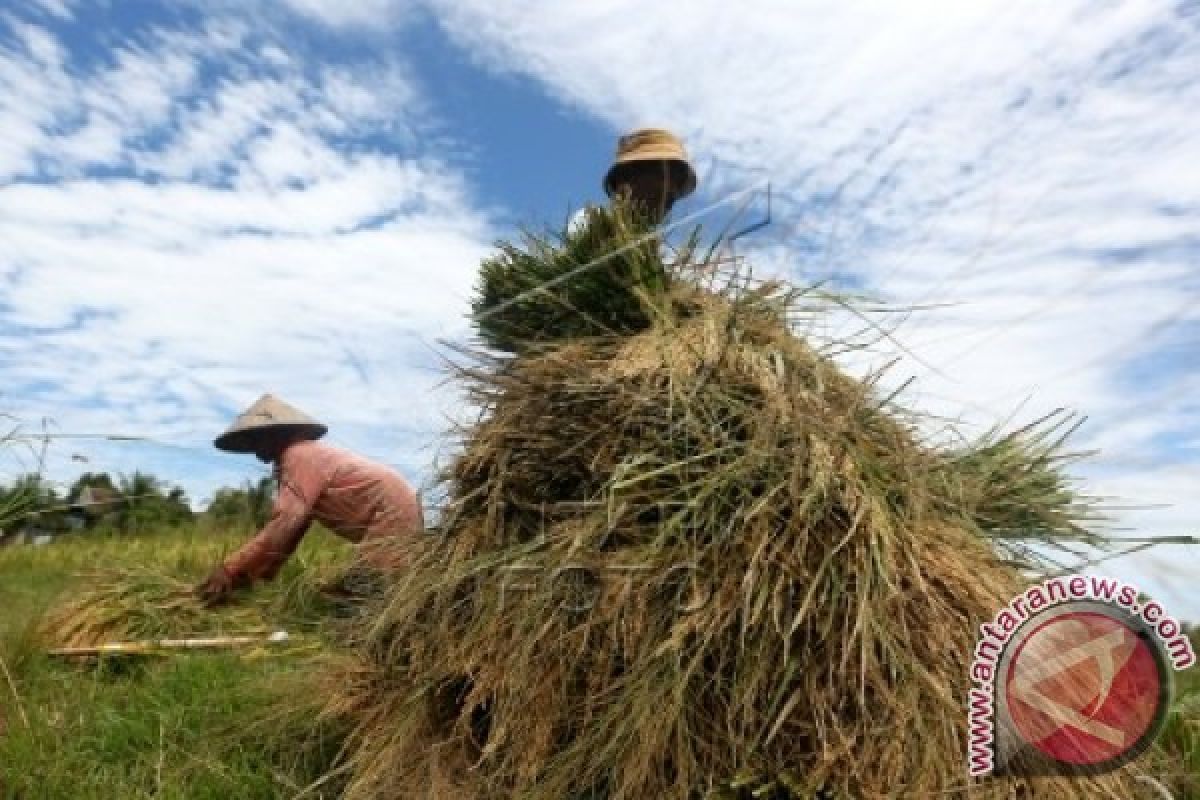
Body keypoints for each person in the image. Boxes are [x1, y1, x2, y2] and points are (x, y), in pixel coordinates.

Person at [195, 393, 424, 607]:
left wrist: (230, 569)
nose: (255, 450)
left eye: (257, 439)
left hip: (392, 510)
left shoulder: (299, 456)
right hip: (397, 505)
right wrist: (256, 574)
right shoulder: (298, 460)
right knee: (356, 594)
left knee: (365, 599)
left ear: (275, 435)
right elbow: (293, 531)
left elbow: (284, 524)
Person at [602, 127, 697, 224]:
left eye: (678, 183)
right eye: (663, 175)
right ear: (626, 177)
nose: (672, 191)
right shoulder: (591, 229)